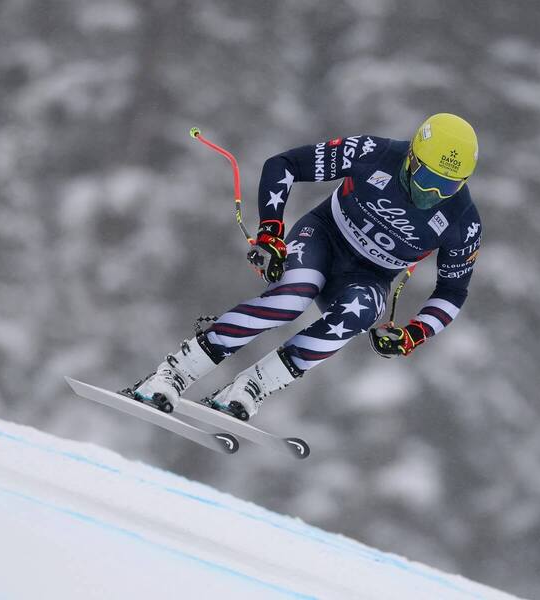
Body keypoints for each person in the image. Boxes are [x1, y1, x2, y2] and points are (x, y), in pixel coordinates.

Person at [126, 113, 482, 421]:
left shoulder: (463, 220)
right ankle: (173, 373)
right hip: (323, 238)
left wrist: (416, 333)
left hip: (371, 276)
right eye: (428, 179)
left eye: (448, 186)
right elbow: (284, 164)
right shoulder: (373, 153)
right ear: (412, 158)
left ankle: (252, 386)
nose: (432, 194)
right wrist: (270, 232)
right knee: (290, 300)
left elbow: (453, 291)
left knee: (359, 315)